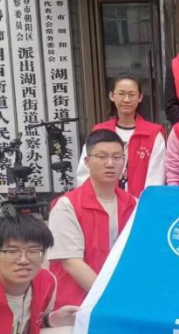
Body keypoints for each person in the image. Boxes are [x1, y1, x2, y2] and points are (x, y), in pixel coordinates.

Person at [49, 129, 136, 307]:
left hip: (123, 299)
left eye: (117, 157)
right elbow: (72, 262)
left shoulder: (134, 204)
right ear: (87, 161)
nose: (110, 163)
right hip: (76, 305)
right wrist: (109, 299)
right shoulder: (67, 205)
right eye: (102, 156)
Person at [75, 75, 165, 198]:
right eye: (121, 94)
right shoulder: (100, 131)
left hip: (140, 205)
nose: (126, 99)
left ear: (140, 97)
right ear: (112, 96)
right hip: (103, 203)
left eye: (132, 94)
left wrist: (142, 205)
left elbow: (156, 178)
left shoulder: (153, 134)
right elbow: (85, 172)